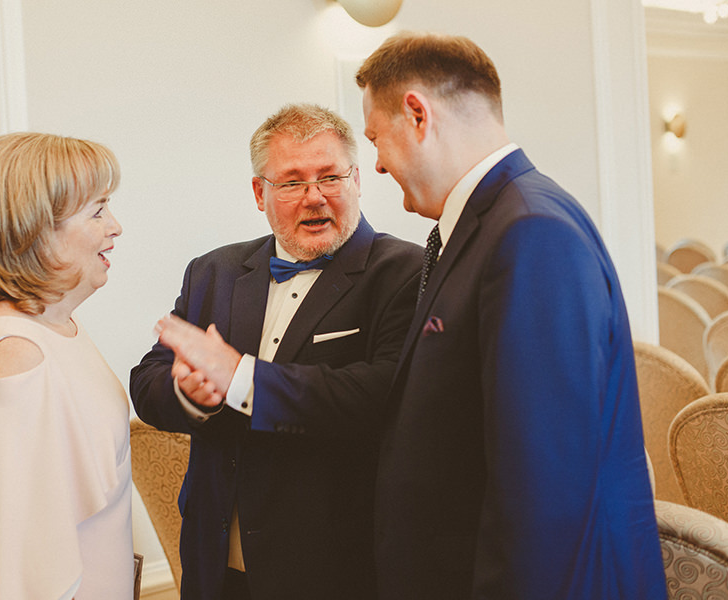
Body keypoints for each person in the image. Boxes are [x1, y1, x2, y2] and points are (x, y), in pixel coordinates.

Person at [355, 32, 667, 599]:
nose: (376, 163)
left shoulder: (530, 232)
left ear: (418, 115)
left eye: (375, 137)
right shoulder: (493, 222)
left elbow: (546, 490)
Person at [130, 103, 422, 600]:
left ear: (356, 180)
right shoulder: (215, 271)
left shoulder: (405, 272)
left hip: (334, 567)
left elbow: (379, 395)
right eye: (292, 182)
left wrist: (240, 377)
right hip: (216, 563)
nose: (315, 197)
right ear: (259, 193)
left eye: (330, 177)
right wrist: (190, 393)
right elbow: (149, 377)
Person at [0, 132, 134, 599]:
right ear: (35, 230)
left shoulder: (54, 326)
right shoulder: (16, 355)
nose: (115, 226)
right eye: (97, 211)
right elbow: (23, 567)